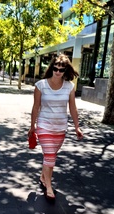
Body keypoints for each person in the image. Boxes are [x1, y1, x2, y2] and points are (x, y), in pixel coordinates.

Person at [28, 54, 83, 201]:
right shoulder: (41, 85)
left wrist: (77, 127)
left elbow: (73, 108)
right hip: (44, 126)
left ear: (66, 71)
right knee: (50, 157)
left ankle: (43, 176)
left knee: (50, 157)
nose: (58, 72)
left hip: (60, 128)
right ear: (51, 68)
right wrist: (32, 126)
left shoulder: (69, 87)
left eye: (61, 69)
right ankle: (49, 187)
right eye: (55, 68)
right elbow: (35, 107)